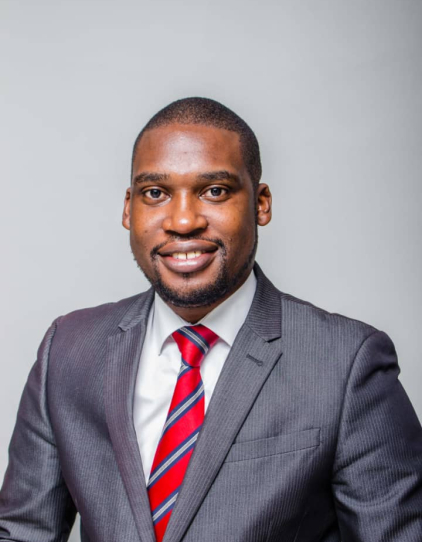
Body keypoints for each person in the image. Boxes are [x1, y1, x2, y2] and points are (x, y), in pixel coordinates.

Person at [0, 97, 421, 542]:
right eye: (155, 193)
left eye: (215, 191)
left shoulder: (346, 363)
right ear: (128, 208)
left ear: (261, 203)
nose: (183, 221)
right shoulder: (68, 350)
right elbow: (22, 533)